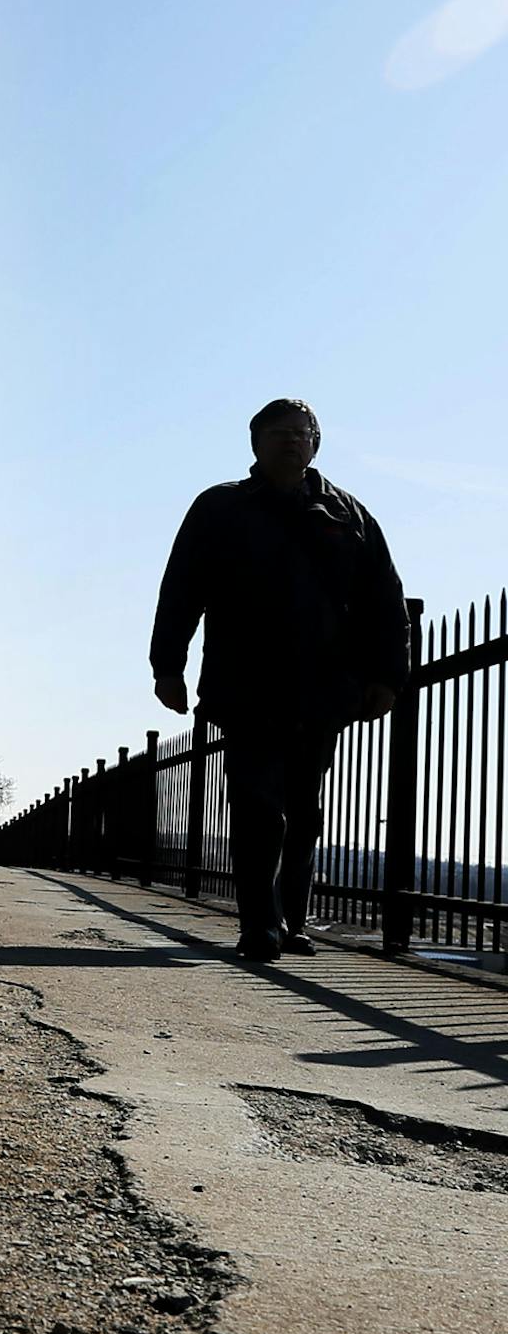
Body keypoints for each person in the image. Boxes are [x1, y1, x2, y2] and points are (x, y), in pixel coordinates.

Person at [150, 399, 408, 960]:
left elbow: (384, 601)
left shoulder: (350, 516)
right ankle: (260, 924)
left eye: (302, 432)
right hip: (245, 682)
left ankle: (291, 918)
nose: (292, 441)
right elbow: (181, 590)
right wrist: (167, 665)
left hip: (321, 685)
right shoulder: (220, 508)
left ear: (315, 443)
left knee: (303, 812)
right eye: (279, 432)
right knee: (257, 805)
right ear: (255, 442)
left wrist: (387, 675)